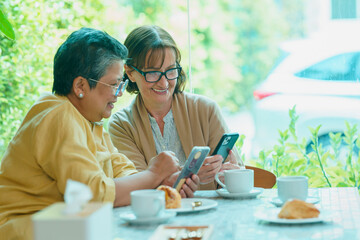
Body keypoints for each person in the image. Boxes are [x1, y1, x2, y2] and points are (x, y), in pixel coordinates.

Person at [0, 27, 198, 239]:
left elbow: (123, 171)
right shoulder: (58, 115)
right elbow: (93, 194)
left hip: (64, 224)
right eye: (114, 84)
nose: (119, 93)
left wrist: (161, 183)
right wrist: (153, 175)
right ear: (80, 86)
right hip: (25, 227)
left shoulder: (91, 122)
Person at [108, 25, 240, 190]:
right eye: (153, 73)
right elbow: (136, 187)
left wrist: (228, 176)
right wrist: (193, 177)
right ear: (130, 72)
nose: (164, 83)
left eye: (170, 71)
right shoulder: (122, 125)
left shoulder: (206, 110)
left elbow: (236, 170)